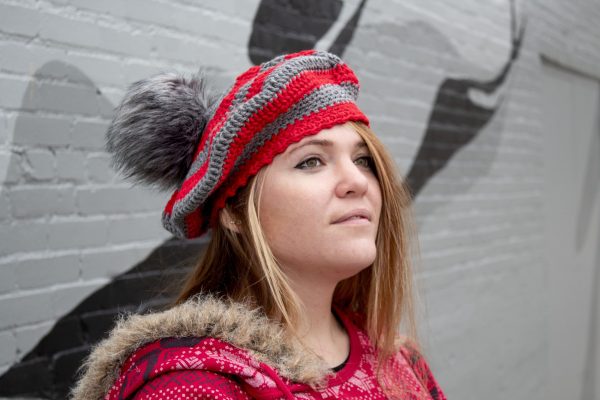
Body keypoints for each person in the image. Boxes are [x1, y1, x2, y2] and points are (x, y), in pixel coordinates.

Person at [70, 50, 446, 400]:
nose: (358, 181)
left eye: (363, 160)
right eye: (311, 161)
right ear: (233, 212)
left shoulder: (398, 357)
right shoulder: (195, 386)